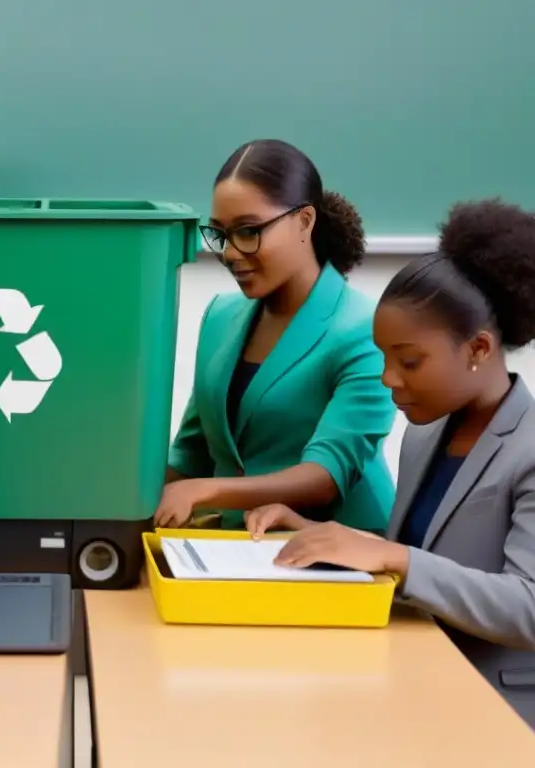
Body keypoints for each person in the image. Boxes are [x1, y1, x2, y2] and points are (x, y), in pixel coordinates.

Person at [251, 199, 535, 727]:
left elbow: (528, 608)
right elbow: (418, 561)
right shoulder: (425, 436)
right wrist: (321, 535)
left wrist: (392, 557)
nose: (388, 379)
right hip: (413, 683)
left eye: (409, 361)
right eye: (383, 358)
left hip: (500, 716)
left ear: (477, 348)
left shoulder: (530, 450)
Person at [155, 139, 395, 532]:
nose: (231, 252)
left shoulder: (365, 329)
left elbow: (324, 476)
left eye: (249, 231)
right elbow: (193, 451)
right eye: (220, 234)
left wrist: (207, 492)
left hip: (342, 555)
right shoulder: (220, 315)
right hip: (238, 549)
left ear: (304, 222)